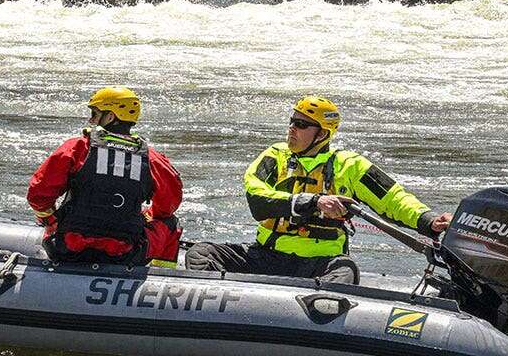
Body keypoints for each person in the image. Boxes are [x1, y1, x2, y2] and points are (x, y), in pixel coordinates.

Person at [184, 95, 451, 284]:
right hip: (266, 257)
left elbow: (393, 199)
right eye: (291, 121)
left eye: (301, 125)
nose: (292, 129)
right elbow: (257, 198)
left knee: (345, 271)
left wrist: (428, 220)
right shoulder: (274, 157)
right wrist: (314, 201)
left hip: (320, 264)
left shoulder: (350, 165)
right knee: (201, 254)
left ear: (322, 134)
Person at [27, 87, 183, 267]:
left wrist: (51, 221)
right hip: (125, 253)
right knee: (170, 223)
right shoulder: (152, 159)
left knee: (54, 218)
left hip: (67, 248)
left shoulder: (77, 148)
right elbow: (168, 205)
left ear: (110, 117)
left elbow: (38, 193)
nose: (91, 119)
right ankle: (160, 281)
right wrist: (145, 216)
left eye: (95, 114)